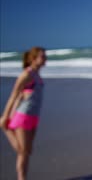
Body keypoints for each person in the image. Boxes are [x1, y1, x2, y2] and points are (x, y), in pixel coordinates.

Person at [0, 46, 47, 180]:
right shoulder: (26, 75)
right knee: (22, 152)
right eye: (42, 56)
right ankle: (22, 178)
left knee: (28, 151)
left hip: (34, 116)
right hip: (23, 116)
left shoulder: (37, 75)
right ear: (33, 58)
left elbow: (23, 95)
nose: (45, 59)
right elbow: (14, 95)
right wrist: (6, 116)